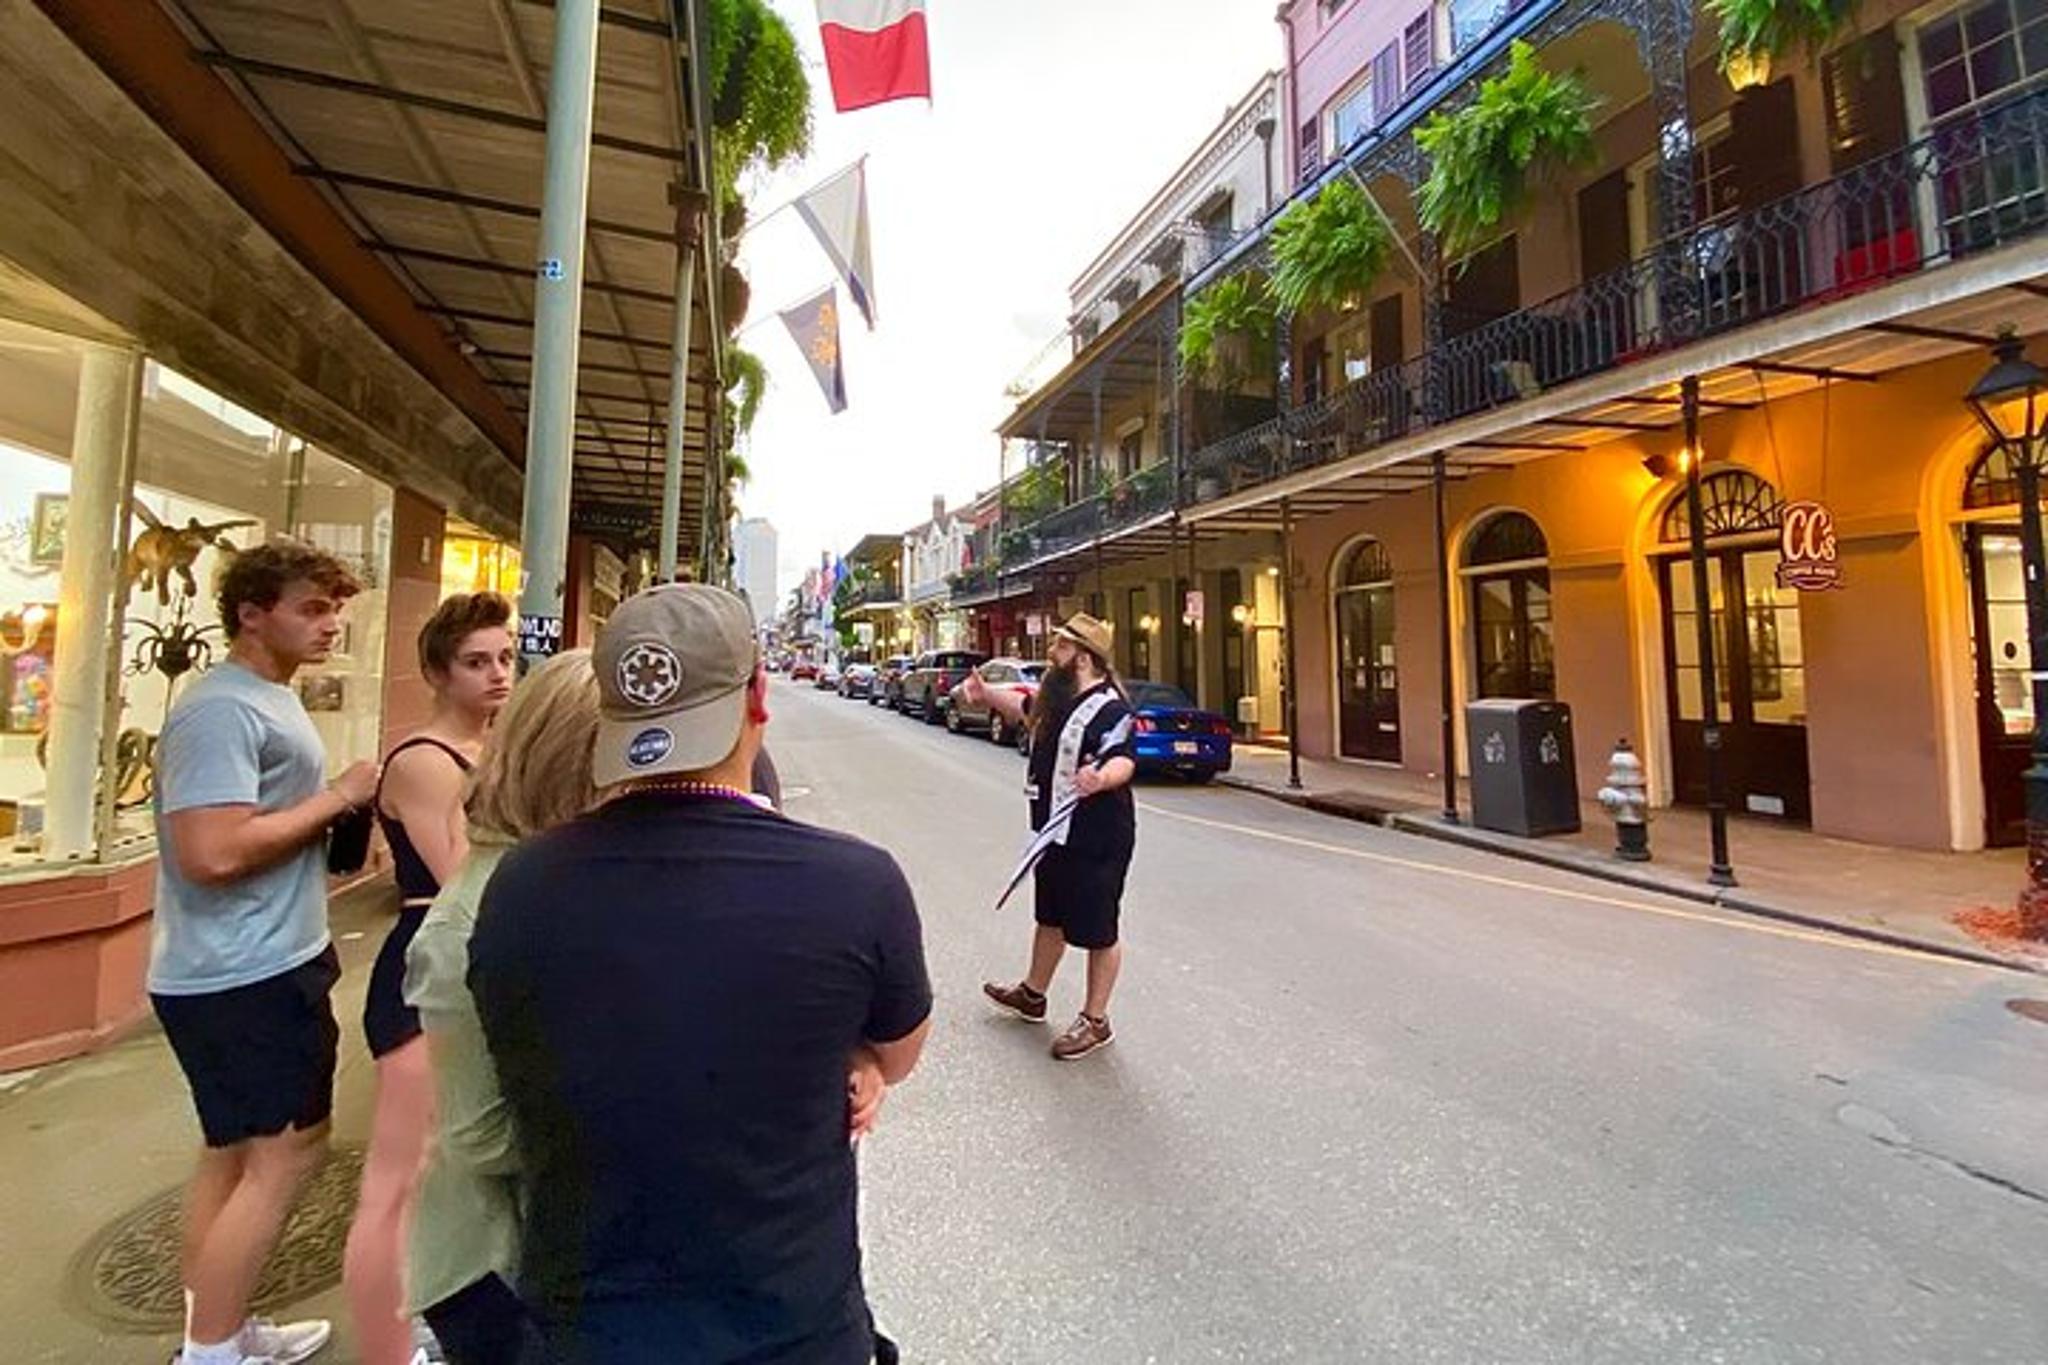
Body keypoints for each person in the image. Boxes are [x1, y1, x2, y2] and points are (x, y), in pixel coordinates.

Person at [469, 584, 931, 1364]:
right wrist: (848, 1052)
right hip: (792, 1333)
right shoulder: (857, 883)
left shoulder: (521, 885)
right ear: (758, 695)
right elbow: (898, 1051)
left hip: (585, 1334)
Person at [404, 649, 816, 1365]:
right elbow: (480, 1136)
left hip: (623, 1248)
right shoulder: (475, 921)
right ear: (584, 767)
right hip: (508, 1270)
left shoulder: (595, 877)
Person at [150, 540, 374, 1365]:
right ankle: (210, 1352)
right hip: (243, 969)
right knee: (285, 1156)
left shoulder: (264, 698)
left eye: (335, 607)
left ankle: (216, 1327)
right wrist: (339, 799)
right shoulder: (222, 709)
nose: (331, 624)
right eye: (312, 607)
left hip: (254, 959)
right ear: (252, 611)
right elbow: (211, 849)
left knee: (235, 1154)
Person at [345, 593, 515, 1365]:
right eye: (477, 661)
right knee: (400, 1177)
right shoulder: (423, 759)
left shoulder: (483, 749)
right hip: (424, 970)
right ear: (438, 672)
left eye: (506, 657)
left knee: (444, 1170)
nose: (498, 674)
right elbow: (461, 878)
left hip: (461, 966)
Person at [966, 613, 1137, 1061]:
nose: (1051, 653)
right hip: (1052, 832)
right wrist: (985, 693)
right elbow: (1023, 710)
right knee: (1051, 916)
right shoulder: (1058, 699)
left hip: (1097, 836)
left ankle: (1095, 1020)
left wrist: (1100, 778)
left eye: (1060, 647)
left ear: (1081, 657)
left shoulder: (1112, 708)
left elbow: (1124, 759)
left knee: (1099, 928)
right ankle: (1033, 994)